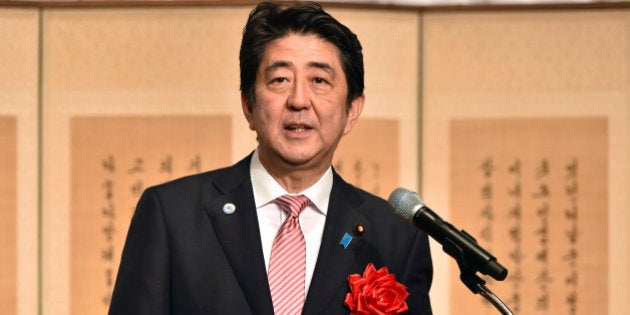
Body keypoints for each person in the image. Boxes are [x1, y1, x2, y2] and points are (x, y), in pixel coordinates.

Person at [109, 1, 433, 314]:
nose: (299, 100)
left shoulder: (395, 238)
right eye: (280, 80)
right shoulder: (172, 216)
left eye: (319, 80)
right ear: (248, 105)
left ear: (352, 110)